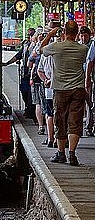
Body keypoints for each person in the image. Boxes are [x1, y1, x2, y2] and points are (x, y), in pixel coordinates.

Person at [40, 21, 88, 166]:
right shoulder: (83, 49)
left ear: (64, 32)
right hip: (78, 89)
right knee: (75, 121)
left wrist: (50, 34)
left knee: (60, 120)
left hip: (60, 90)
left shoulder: (56, 47)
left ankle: (61, 153)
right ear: (77, 33)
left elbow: (41, 49)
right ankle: (72, 154)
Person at [4, 27, 36, 120]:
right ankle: (27, 107)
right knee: (24, 92)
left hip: (32, 74)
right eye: (28, 35)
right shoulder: (25, 46)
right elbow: (18, 56)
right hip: (25, 74)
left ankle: (31, 111)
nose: (29, 36)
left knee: (31, 94)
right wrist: (7, 63)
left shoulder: (36, 46)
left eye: (31, 35)